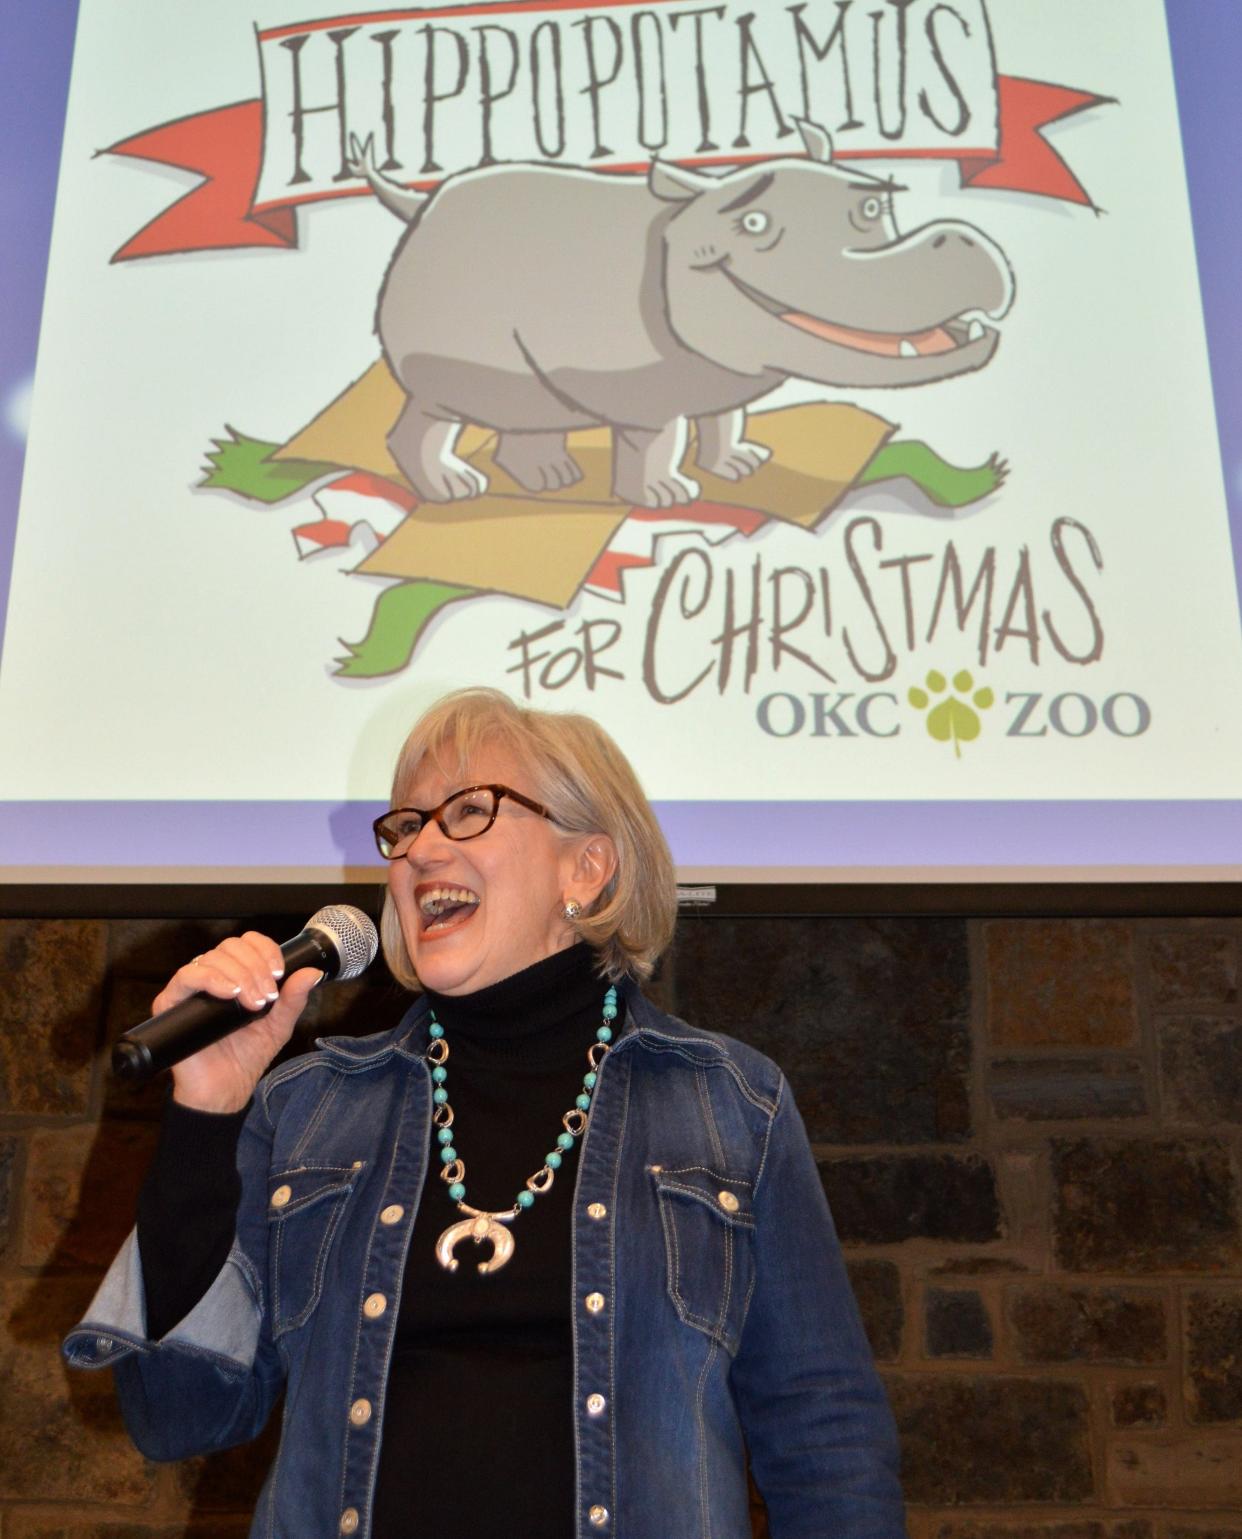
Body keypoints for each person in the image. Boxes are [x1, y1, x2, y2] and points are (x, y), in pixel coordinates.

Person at [65, 687, 906, 1538]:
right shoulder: (307, 1107)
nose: (422, 846)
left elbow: (825, 1435)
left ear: (587, 867)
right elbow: (175, 1413)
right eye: (406, 826)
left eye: (468, 811)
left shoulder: (728, 1102)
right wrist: (206, 1110)